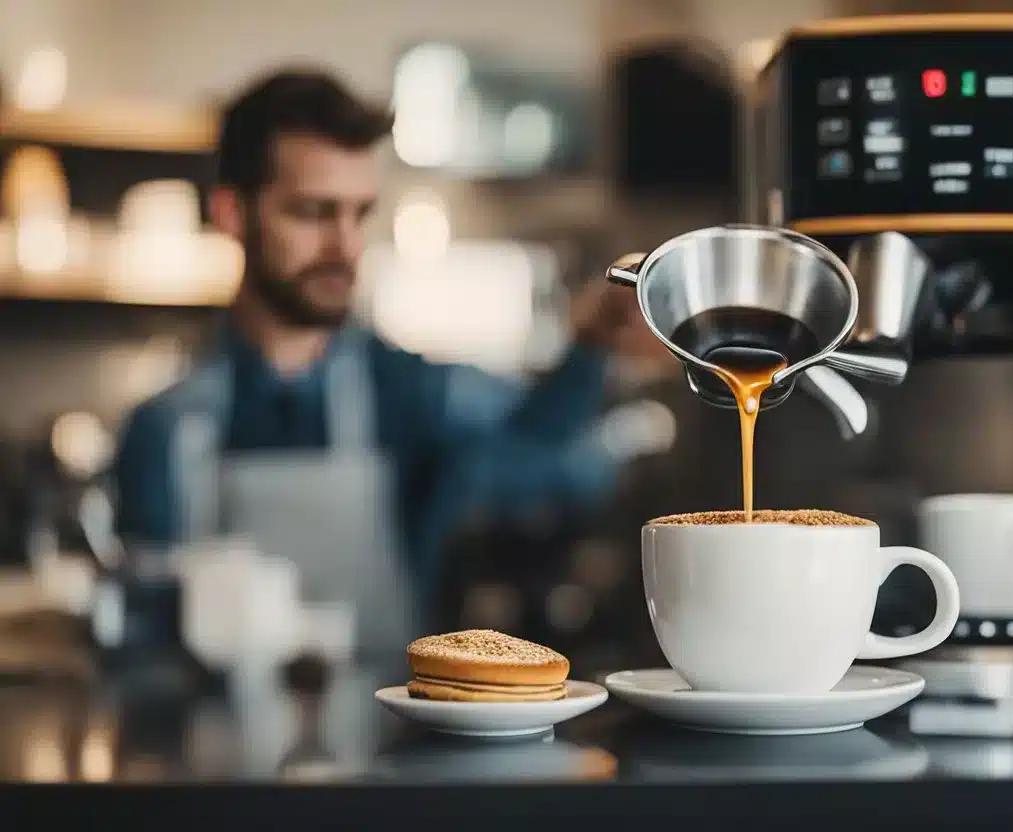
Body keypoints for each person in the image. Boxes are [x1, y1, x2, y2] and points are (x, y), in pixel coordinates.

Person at [111, 69, 658, 652]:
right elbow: (143, 650)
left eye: (358, 214)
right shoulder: (166, 429)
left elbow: (537, 433)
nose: (345, 247)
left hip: (384, 735)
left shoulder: (403, 390)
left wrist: (595, 338)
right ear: (231, 215)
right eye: (313, 212)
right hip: (212, 742)